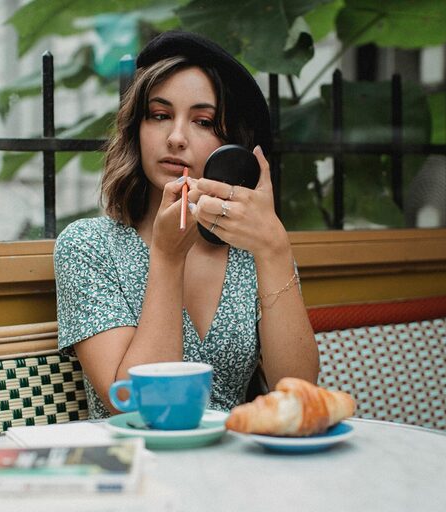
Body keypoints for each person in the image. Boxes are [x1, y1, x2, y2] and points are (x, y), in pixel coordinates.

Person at [54, 31, 319, 419]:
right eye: (159, 115)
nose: (176, 138)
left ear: (233, 146)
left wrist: (274, 249)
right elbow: (137, 405)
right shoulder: (88, 247)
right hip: (138, 465)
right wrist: (166, 257)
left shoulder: (254, 251)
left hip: (242, 465)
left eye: (203, 121)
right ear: (135, 130)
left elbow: (298, 396)